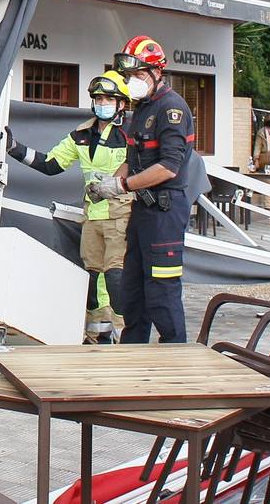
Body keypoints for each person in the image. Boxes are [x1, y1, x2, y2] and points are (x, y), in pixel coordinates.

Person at [6, 70, 131, 342]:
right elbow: (51, 164)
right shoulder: (82, 135)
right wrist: (14, 148)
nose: (102, 103)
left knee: (117, 277)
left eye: (109, 98)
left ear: (122, 103)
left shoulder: (131, 135)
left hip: (122, 215)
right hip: (93, 215)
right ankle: (98, 335)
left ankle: (127, 337)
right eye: (98, 98)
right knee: (92, 278)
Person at [90, 35, 194, 345]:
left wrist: (122, 185)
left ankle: (176, 360)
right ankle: (132, 356)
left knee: (162, 292)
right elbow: (132, 160)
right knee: (133, 290)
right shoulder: (142, 110)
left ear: (156, 73)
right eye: (129, 76)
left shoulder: (172, 109)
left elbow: (168, 167)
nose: (132, 82)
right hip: (143, 211)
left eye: (138, 75)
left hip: (165, 211)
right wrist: (110, 182)